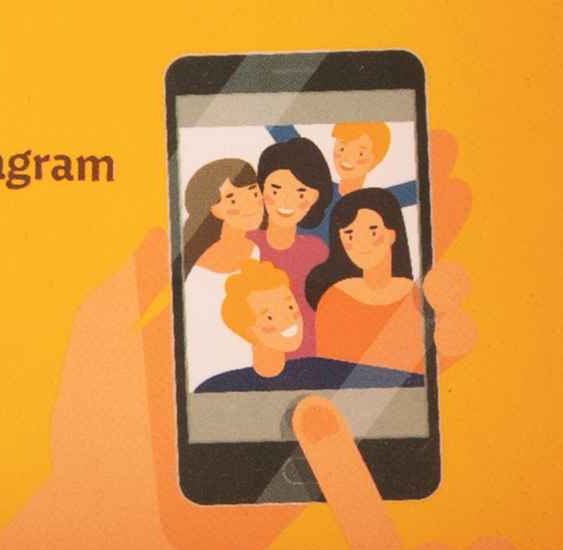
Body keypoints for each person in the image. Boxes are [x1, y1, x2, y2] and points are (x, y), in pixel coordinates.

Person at [310, 188, 430, 375]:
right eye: (350, 235)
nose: (361, 244)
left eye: (373, 232)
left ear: (392, 234)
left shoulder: (417, 297)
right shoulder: (334, 299)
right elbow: (329, 372)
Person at [176, 155, 265, 387]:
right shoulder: (198, 267)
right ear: (212, 208)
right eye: (232, 199)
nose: (250, 205)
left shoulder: (255, 249)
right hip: (209, 370)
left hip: (251, 364)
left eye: (253, 192)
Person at [255, 133, 339, 308]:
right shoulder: (247, 244)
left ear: (316, 198)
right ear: (261, 190)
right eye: (276, 190)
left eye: (300, 194)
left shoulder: (317, 251)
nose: (286, 202)